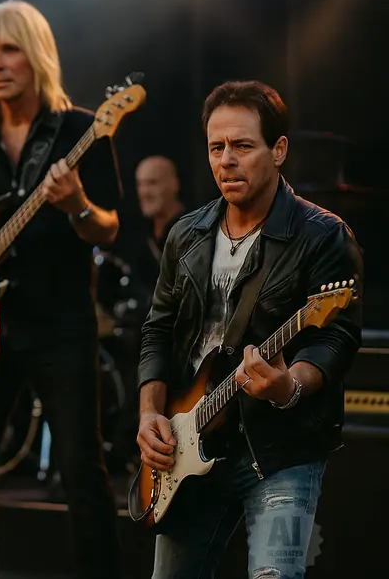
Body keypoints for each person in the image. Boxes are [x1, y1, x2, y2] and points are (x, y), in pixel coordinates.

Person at [137, 80, 363, 578]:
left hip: (280, 451)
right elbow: (157, 329)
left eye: (242, 146)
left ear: (278, 150)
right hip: (188, 443)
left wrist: (289, 385)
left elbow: (336, 337)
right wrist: (150, 413)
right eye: (217, 147)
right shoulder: (187, 234)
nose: (226, 160)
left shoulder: (323, 235)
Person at [0, 0, 123, 579]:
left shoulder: (81, 128)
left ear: (36, 54)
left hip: (61, 324)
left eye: (9, 48)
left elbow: (110, 226)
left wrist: (77, 207)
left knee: (82, 472)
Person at [129, 155, 185, 297]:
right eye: (140, 184)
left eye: (152, 183)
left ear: (174, 185)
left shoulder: (193, 231)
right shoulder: (140, 233)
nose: (144, 192)